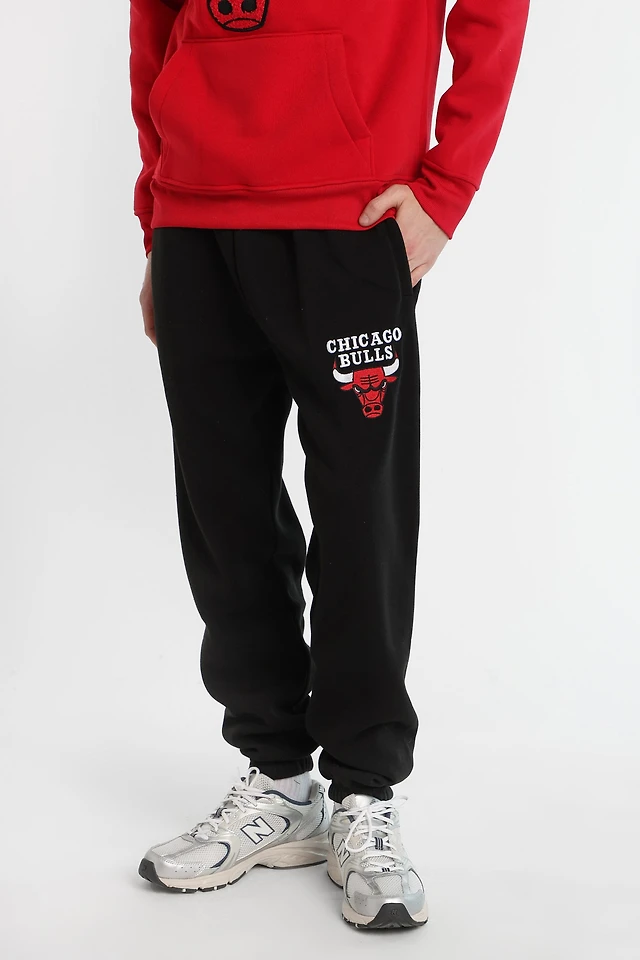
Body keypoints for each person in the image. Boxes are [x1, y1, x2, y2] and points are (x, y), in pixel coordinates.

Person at [129, 0, 529, 930]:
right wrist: (157, 213)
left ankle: (364, 793)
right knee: (223, 510)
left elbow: (496, 12)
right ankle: (279, 782)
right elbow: (153, 24)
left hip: (350, 211)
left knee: (362, 513)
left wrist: (447, 189)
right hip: (196, 214)